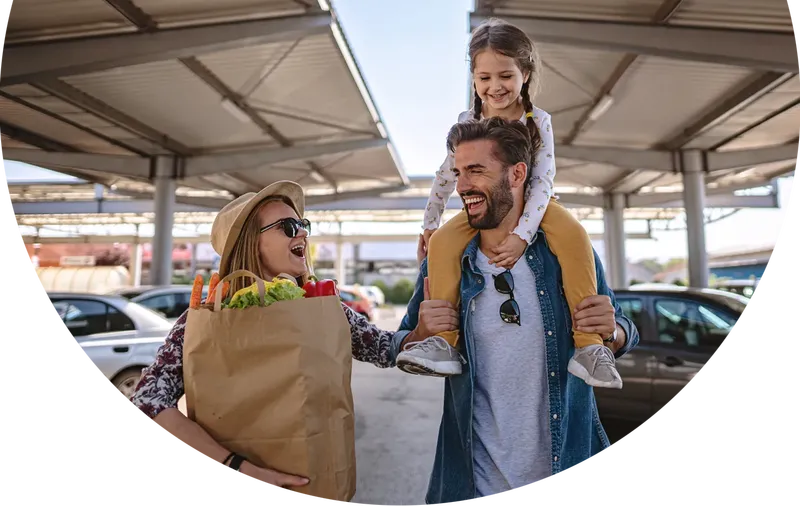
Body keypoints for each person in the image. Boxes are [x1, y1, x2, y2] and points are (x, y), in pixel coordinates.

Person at [126, 181, 459, 490]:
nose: (301, 233)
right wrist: (237, 466)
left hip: (317, 479)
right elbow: (146, 401)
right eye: (288, 227)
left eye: (303, 225)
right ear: (251, 243)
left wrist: (420, 331)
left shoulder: (323, 308)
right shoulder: (203, 320)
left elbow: (383, 348)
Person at [389, 118, 640, 505]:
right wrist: (422, 331)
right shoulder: (445, 261)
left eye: (476, 171)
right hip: (474, 487)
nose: (462, 186)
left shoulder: (564, 254)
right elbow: (399, 343)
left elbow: (623, 328)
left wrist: (613, 331)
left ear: (518, 173)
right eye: (458, 173)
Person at [395, 18, 622, 390]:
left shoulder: (538, 121)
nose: (494, 87)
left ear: (526, 74)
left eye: (505, 76)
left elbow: (543, 180)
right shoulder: (468, 121)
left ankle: (590, 347)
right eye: (484, 78)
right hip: (488, 207)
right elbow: (445, 176)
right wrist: (430, 224)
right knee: (443, 244)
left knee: (573, 233)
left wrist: (520, 235)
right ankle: (443, 343)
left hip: (538, 206)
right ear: (473, 78)